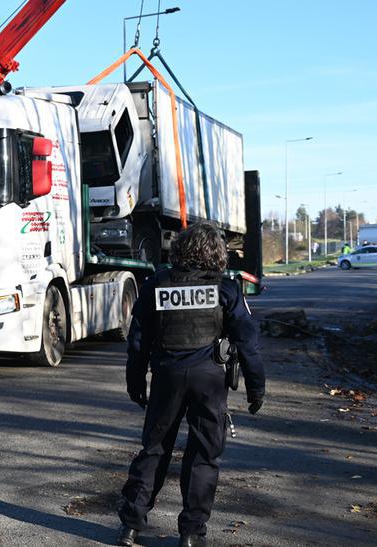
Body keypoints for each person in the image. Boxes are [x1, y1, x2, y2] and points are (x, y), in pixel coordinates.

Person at [116, 222, 266, 547]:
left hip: (167, 377)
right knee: (204, 455)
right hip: (209, 380)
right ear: (218, 254)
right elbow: (248, 342)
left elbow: (138, 339)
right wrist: (257, 388)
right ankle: (191, 534)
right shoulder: (226, 290)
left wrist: (135, 380)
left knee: (154, 450)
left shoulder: (158, 284)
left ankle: (131, 526)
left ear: (181, 249)